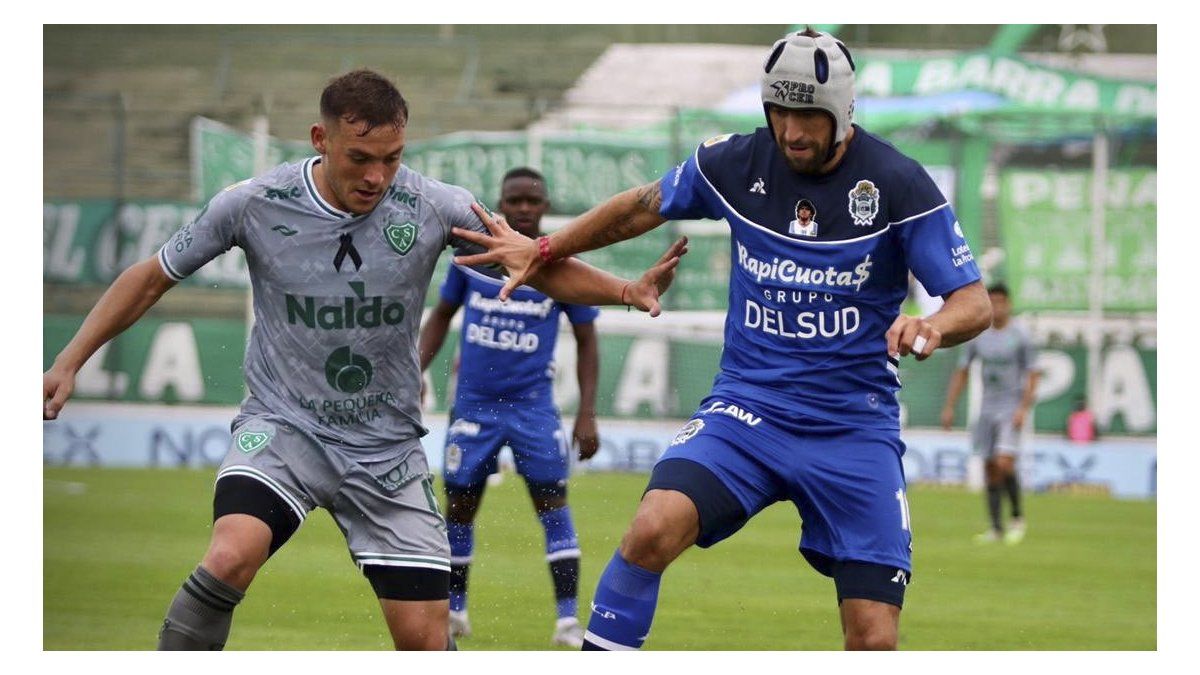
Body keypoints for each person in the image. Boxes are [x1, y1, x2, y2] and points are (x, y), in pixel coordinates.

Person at [41, 69, 687, 651]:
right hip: (285, 429)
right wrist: (70, 360)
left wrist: (625, 290)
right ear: (320, 137)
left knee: (424, 637)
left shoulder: (434, 205)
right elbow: (151, 275)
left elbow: (535, 263)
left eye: (392, 157)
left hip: (386, 451)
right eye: (360, 157)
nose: (377, 176)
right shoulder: (254, 203)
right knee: (232, 551)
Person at [452, 29, 993, 650]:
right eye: (779, 111)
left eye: (808, 115)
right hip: (748, 410)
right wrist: (545, 246)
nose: (792, 130)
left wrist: (932, 324)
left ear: (843, 113)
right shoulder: (736, 162)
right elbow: (641, 205)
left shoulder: (898, 183)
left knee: (874, 639)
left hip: (853, 427)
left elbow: (972, 301)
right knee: (651, 529)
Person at [417, 167, 600, 648]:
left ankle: (566, 621)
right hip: (474, 405)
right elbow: (440, 317)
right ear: (500, 201)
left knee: (552, 503)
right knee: (459, 505)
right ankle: (455, 611)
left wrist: (587, 412)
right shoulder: (473, 256)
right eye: (514, 200)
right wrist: (413, 370)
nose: (523, 208)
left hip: (533, 408)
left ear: (544, 206)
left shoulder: (560, 262)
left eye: (532, 200)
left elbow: (587, 339)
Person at [941, 283, 1040, 545]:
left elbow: (1032, 374)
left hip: (1011, 407)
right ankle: (996, 528)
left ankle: (1017, 518)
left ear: (1009, 304)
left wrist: (1023, 408)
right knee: (989, 467)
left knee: (1005, 462)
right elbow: (962, 370)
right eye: (992, 302)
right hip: (986, 408)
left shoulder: (1021, 335)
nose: (997, 307)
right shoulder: (979, 335)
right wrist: (950, 406)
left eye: (1001, 302)